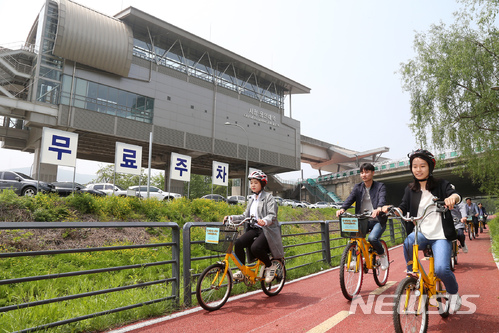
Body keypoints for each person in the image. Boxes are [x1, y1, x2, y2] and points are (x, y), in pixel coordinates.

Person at [381, 149, 462, 313]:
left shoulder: (441, 184)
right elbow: (403, 207)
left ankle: (454, 293)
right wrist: (393, 209)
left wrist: (452, 198)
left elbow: (454, 194)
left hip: (440, 235)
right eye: (415, 166)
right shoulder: (410, 189)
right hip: (421, 233)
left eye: (422, 166)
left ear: (430, 167)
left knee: (441, 269)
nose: (418, 169)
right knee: (409, 241)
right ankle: (412, 271)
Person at [224, 170, 284, 283]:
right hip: (254, 229)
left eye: (255, 182)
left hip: (266, 230)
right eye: (251, 183)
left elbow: (272, 215)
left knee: (255, 248)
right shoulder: (251, 199)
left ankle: (270, 266)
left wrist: (264, 221)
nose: (253, 185)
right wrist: (230, 217)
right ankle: (242, 271)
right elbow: (244, 216)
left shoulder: (269, 198)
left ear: (262, 184)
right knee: (238, 243)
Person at [336, 163, 389, 270]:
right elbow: (350, 199)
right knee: (354, 238)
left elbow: (382, 198)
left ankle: (382, 255)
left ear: (373, 173)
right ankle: (355, 260)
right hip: (362, 220)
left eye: (367, 172)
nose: (364, 175)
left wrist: (379, 208)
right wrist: (342, 208)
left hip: (377, 220)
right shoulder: (358, 187)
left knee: (372, 238)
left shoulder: (380, 186)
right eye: (362, 172)